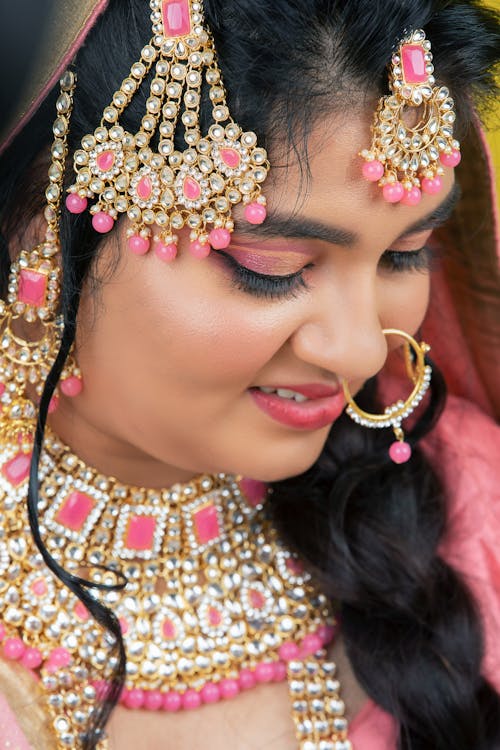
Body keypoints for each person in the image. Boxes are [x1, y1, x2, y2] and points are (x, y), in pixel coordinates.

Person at [0, 0, 499, 748]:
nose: (363, 351)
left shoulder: (470, 511)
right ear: (42, 226)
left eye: (406, 254)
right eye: (274, 269)